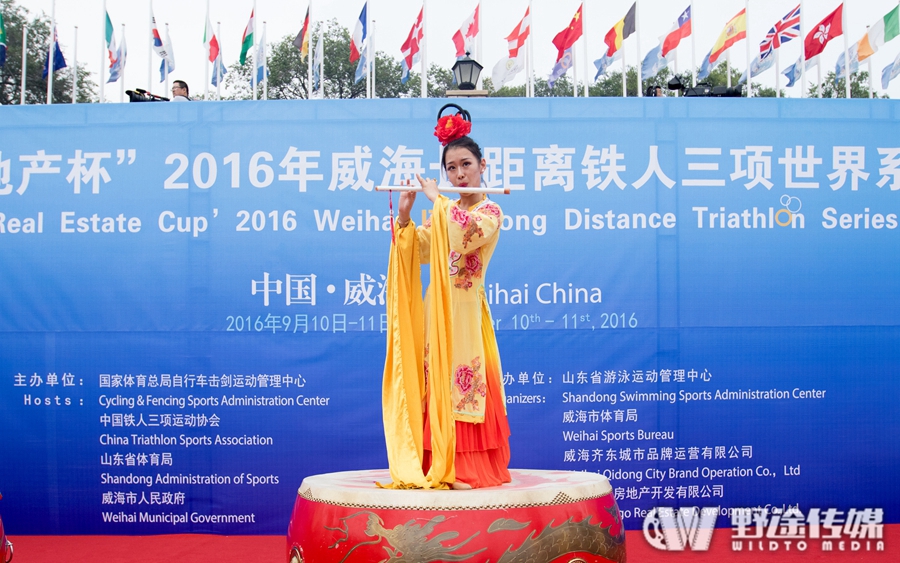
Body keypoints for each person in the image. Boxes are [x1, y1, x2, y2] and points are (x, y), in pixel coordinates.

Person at [381, 111, 511, 490]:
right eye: (451, 168)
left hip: (467, 313)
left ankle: (465, 469)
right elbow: (421, 250)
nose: (459, 174)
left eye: (466, 165)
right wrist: (405, 215)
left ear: (482, 166)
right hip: (438, 309)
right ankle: (437, 463)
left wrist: (439, 203)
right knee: (433, 379)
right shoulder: (441, 212)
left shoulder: (489, 212)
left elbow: (462, 236)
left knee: (463, 381)